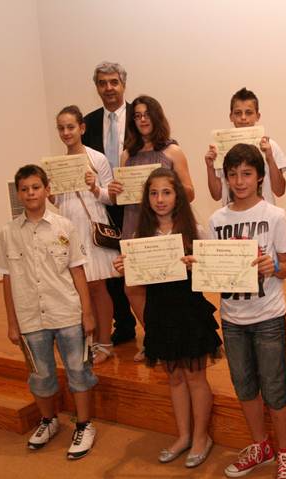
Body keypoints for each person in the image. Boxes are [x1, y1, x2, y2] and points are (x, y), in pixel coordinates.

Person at [113, 168, 220, 468]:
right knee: (174, 378)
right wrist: (125, 268)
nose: (160, 199)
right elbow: (137, 283)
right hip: (159, 313)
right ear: (147, 198)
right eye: (154, 193)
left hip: (189, 312)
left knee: (195, 377)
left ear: (178, 196)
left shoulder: (195, 230)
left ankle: (201, 437)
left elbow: (213, 273)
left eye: (166, 192)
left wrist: (197, 265)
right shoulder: (140, 237)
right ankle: (183, 435)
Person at [0, 165, 98, 460]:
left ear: (47, 190)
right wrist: (12, 322)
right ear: (18, 193)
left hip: (66, 313)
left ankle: (84, 424)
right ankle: (48, 420)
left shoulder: (64, 226)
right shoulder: (8, 233)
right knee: (40, 375)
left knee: (79, 371)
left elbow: (77, 272)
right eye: (25, 189)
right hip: (30, 317)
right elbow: (7, 279)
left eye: (36, 187)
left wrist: (87, 314)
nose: (31, 193)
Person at [209, 144, 286, 479]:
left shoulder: (274, 216)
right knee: (244, 386)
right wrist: (200, 266)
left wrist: (273, 266)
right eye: (233, 174)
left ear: (260, 176)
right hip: (232, 318)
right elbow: (215, 269)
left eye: (246, 173)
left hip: (268, 317)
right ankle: (261, 446)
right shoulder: (216, 220)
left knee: (275, 389)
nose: (239, 181)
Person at [108, 95, 195, 353]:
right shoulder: (127, 155)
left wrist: (164, 188)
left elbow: (190, 192)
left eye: (147, 114)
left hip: (166, 226)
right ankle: (153, 336)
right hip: (135, 224)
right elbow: (121, 198)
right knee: (133, 287)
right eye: (137, 116)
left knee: (167, 285)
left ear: (156, 116)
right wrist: (116, 191)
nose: (142, 120)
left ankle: (171, 336)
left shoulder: (172, 151)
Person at [51, 105, 116, 363]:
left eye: (70, 127)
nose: (66, 132)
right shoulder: (57, 164)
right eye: (61, 128)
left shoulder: (96, 158)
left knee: (97, 287)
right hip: (69, 229)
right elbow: (60, 202)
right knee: (79, 289)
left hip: (91, 228)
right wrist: (51, 196)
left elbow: (112, 197)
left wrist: (95, 187)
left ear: (82, 128)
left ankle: (105, 342)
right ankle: (89, 341)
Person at [82, 61, 137, 346]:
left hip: (138, 203)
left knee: (140, 261)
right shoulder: (88, 122)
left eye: (114, 82)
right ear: (97, 87)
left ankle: (154, 325)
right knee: (112, 265)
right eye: (102, 83)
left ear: (123, 84)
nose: (109, 88)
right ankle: (124, 324)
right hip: (103, 204)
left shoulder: (140, 116)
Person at [204, 87, 286, 204]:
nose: (243, 118)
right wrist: (210, 167)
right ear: (231, 116)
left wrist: (269, 158)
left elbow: (280, 191)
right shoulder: (220, 148)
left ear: (257, 116)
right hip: (231, 213)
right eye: (238, 113)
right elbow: (216, 195)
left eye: (249, 113)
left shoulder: (270, 146)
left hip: (263, 213)